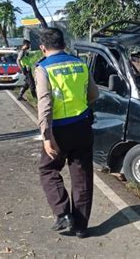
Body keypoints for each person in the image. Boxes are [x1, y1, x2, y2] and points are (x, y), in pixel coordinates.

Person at [35, 28, 98, 239]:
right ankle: (81, 227)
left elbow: (44, 104)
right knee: (82, 176)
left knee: (48, 169)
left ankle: (63, 213)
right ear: (64, 43)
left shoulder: (43, 68)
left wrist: (45, 136)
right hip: (82, 126)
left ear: (43, 48)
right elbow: (94, 94)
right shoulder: (80, 64)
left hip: (59, 130)